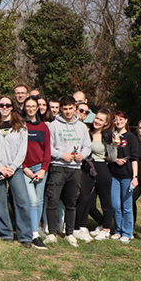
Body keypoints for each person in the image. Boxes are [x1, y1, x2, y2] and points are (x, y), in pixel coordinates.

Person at [0, 96, 32, 247]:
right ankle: (6, 233)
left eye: (7, 105)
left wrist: (13, 167)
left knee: (22, 200)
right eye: (1, 105)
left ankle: (25, 236)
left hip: (15, 168)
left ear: (12, 107)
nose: (4, 107)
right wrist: (0, 166)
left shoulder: (21, 126)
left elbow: (22, 150)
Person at [45, 96, 91, 247]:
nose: (68, 111)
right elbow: (48, 148)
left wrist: (81, 156)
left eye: (71, 108)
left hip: (75, 169)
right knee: (53, 200)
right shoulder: (53, 126)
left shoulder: (82, 127)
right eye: (65, 109)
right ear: (60, 109)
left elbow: (87, 147)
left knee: (71, 202)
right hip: (58, 167)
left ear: (75, 109)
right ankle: (52, 233)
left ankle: (69, 233)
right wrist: (61, 155)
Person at [80, 109, 115, 241]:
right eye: (97, 118)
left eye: (101, 120)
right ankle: (101, 223)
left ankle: (106, 230)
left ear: (106, 123)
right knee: (88, 203)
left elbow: (112, 156)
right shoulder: (87, 133)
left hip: (101, 167)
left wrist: (114, 146)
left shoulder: (107, 136)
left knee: (105, 200)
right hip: (88, 167)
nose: (97, 121)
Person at [21, 96, 50, 249]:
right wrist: (24, 167)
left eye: (34, 106)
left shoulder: (43, 127)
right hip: (25, 169)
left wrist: (44, 169)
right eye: (28, 106)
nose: (31, 109)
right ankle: (33, 234)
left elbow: (47, 150)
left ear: (38, 108)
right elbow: (17, 149)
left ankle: (35, 230)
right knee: (32, 201)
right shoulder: (20, 125)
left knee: (39, 202)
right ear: (24, 108)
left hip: (40, 169)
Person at [108, 110, 139, 244]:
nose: (118, 122)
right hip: (114, 175)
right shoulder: (111, 136)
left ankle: (127, 232)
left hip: (127, 176)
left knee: (127, 205)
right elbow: (107, 156)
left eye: (121, 119)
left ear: (126, 120)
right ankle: (118, 230)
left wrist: (135, 176)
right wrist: (115, 160)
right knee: (115, 204)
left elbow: (135, 158)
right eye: (116, 119)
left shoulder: (131, 137)